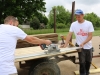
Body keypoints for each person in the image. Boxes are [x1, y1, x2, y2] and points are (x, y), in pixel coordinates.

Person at [61, 9, 94, 75]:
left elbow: (90, 36)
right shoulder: (73, 24)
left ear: (83, 15)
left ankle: (87, 72)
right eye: (76, 17)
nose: (77, 18)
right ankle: (82, 73)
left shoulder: (89, 23)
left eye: (79, 16)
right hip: (80, 47)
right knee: (82, 62)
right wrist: (65, 45)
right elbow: (69, 34)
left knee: (88, 62)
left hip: (89, 47)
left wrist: (83, 43)